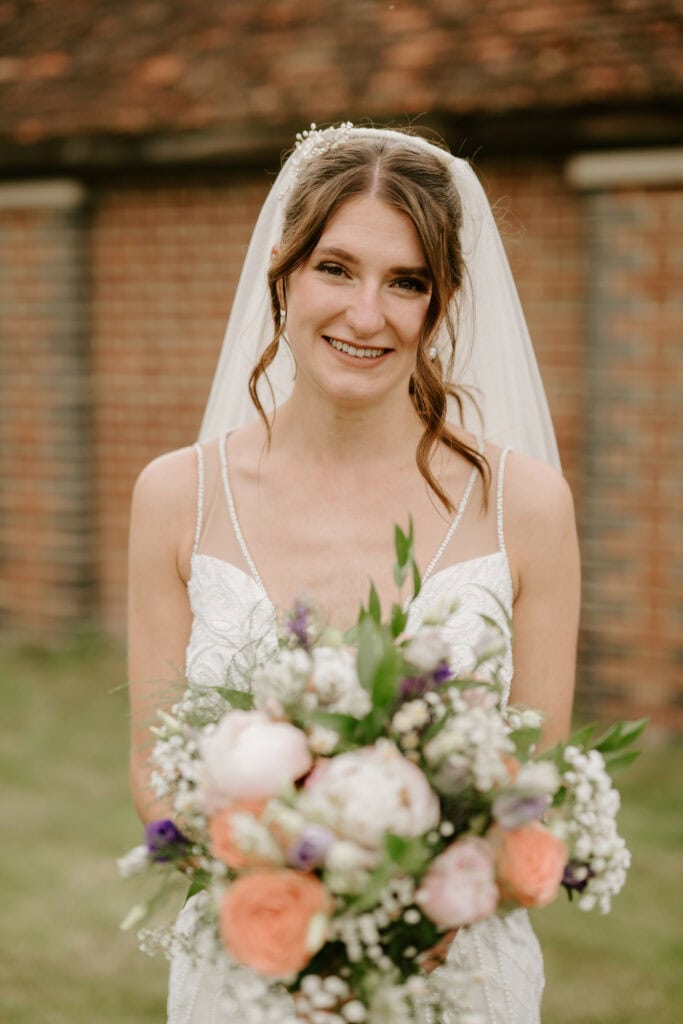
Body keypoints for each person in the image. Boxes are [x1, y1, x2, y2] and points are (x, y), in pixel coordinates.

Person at [127, 124, 580, 1023]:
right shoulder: (177, 495)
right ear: (283, 276)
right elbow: (152, 767)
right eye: (336, 268)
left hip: (460, 979)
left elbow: (538, 777)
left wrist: (414, 907)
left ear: (439, 304)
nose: (366, 315)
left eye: (405, 282)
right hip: (243, 969)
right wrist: (292, 897)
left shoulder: (524, 506)